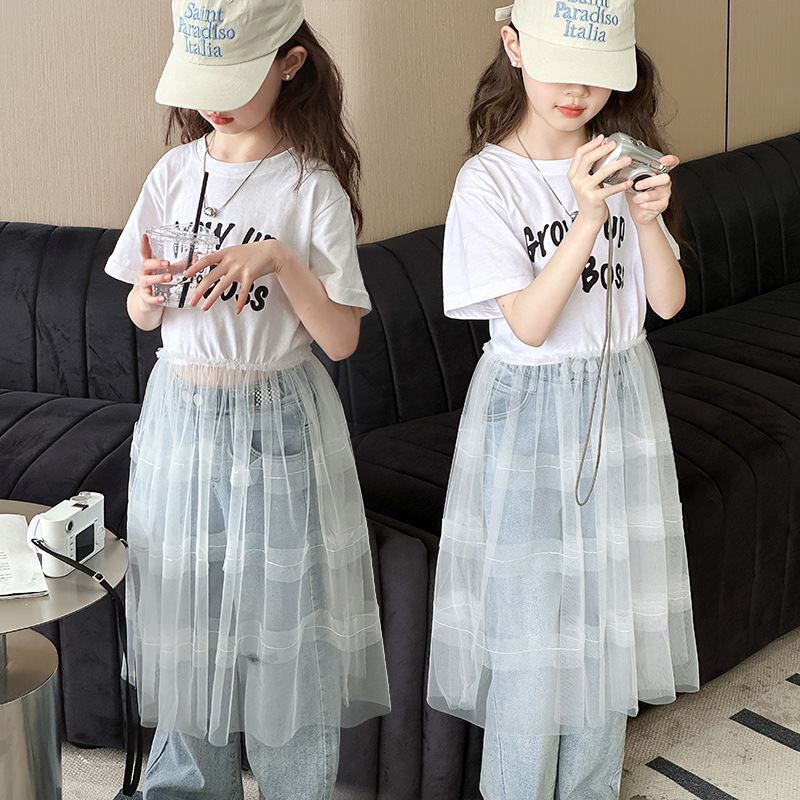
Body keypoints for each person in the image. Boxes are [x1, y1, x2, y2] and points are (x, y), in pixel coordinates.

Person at [105, 1, 390, 797]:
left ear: (290, 64)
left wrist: (279, 260)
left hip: (277, 422)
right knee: (185, 618)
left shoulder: (310, 187)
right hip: (180, 421)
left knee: (284, 629)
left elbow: (341, 339)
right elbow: (138, 310)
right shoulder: (173, 173)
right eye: (202, 84)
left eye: (233, 82)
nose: (214, 103)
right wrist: (148, 296)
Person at [426, 1, 700, 798]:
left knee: (604, 614)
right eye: (560, 68)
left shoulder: (619, 158)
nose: (577, 91)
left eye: (597, 74)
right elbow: (531, 324)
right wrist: (587, 217)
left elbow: (669, 301)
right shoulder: (487, 181)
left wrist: (645, 218)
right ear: (513, 46)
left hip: (621, 398)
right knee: (531, 624)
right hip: (529, 411)